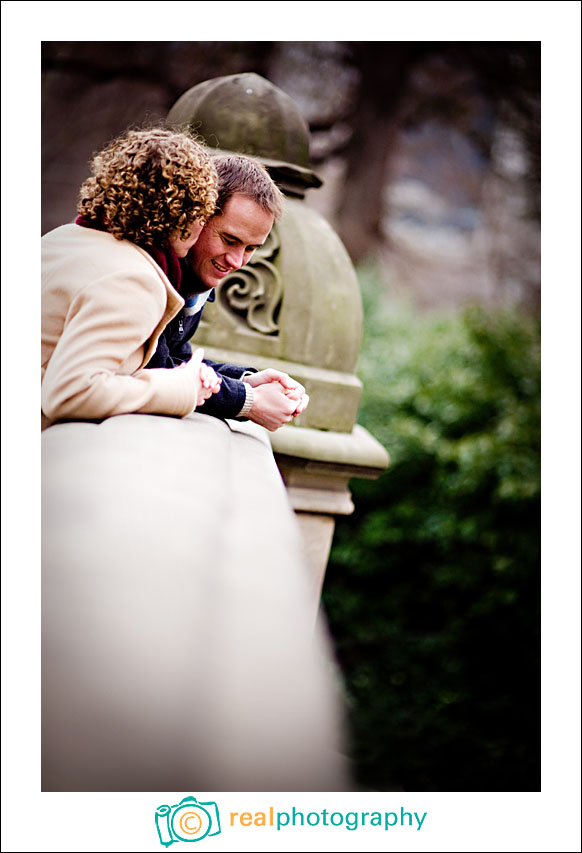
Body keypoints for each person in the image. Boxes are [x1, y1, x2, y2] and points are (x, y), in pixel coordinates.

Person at [41, 127, 222, 430]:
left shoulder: (60, 239)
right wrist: (181, 387)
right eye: (201, 212)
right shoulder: (134, 279)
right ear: (181, 214)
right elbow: (70, 392)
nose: (202, 224)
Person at [145, 153, 309, 432]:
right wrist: (249, 402)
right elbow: (154, 369)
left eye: (250, 249)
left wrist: (247, 380)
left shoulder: (192, 279)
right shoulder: (152, 274)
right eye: (229, 240)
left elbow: (179, 360)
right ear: (197, 216)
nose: (236, 262)